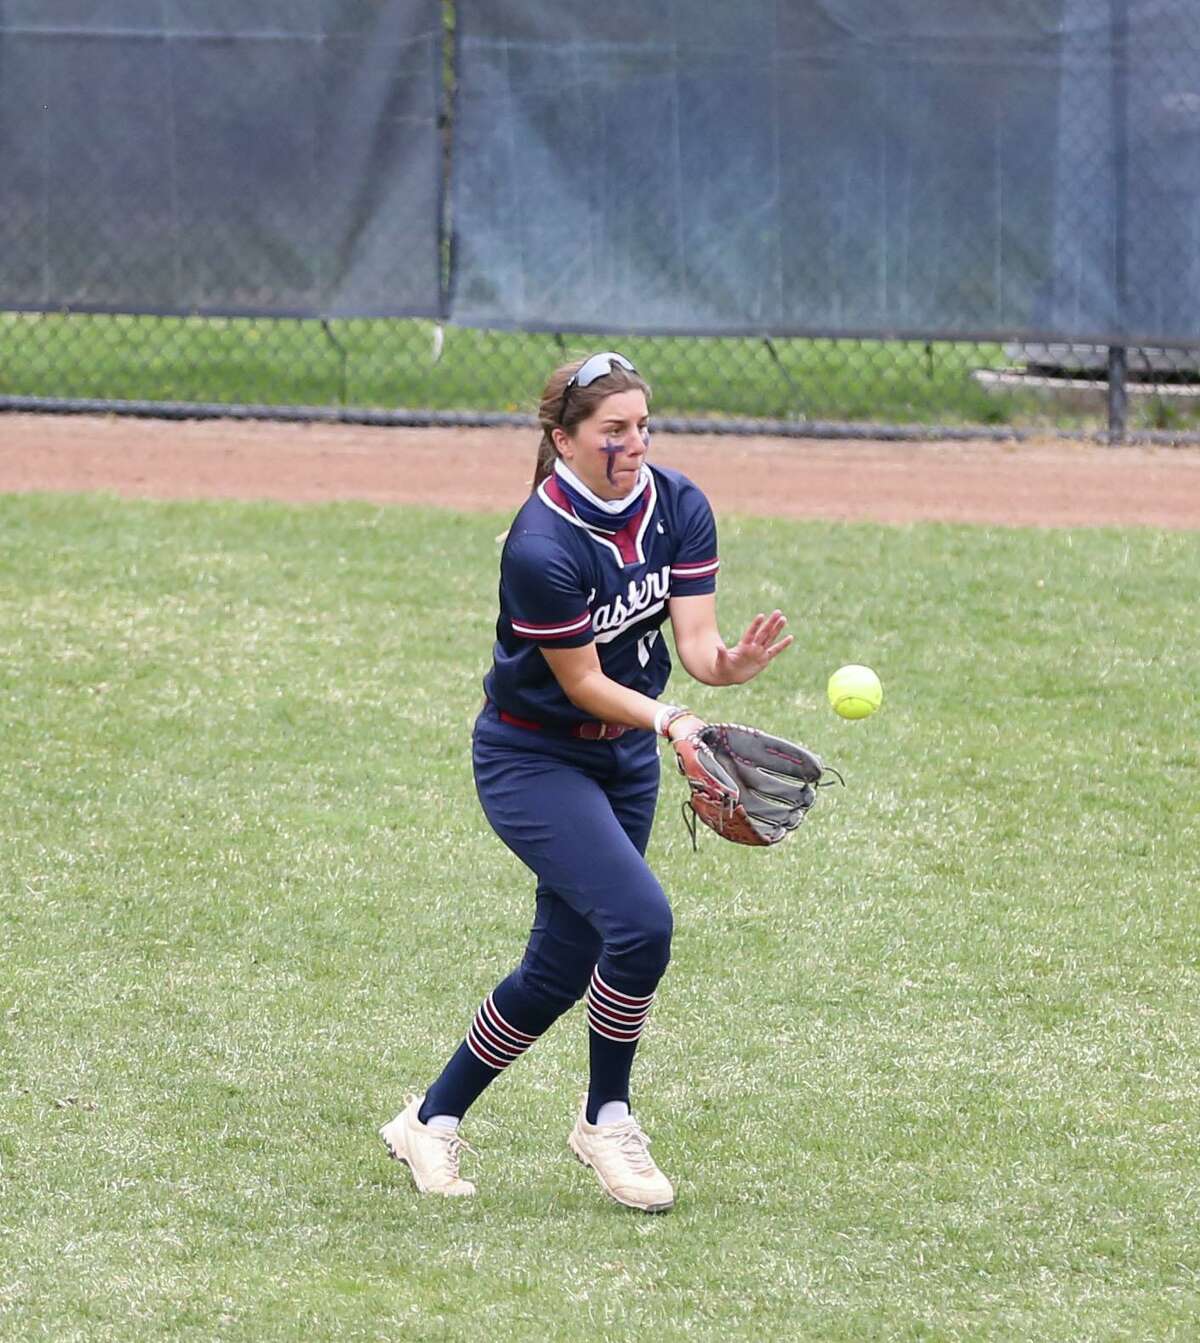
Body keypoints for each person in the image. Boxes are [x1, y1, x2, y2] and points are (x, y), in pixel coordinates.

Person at [379, 352, 793, 1212]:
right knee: (640, 922)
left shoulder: (678, 505)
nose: (634, 443)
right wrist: (674, 720)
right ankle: (607, 1115)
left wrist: (730, 667)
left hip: (623, 761)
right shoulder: (541, 542)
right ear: (564, 440)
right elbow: (583, 684)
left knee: (561, 967)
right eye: (613, 431)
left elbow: (697, 650)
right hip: (533, 758)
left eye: (642, 425)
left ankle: (431, 1116)